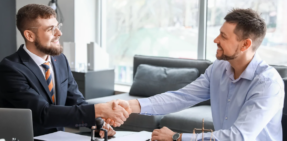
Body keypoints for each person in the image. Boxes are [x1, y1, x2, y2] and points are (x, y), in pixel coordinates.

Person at [111, 9, 284, 141]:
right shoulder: (218, 68)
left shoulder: (267, 84)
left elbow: (238, 136)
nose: (216, 40)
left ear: (245, 44)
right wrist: (130, 106)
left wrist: (177, 137)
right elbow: (181, 97)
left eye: (223, 36)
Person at [0, 4, 129, 137]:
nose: (59, 33)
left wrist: (95, 122)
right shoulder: (9, 69)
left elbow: (75, 100)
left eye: (58, 27)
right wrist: (97, 110)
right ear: (30, 36)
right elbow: (43, 114)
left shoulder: (60, 60)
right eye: (50, 29)